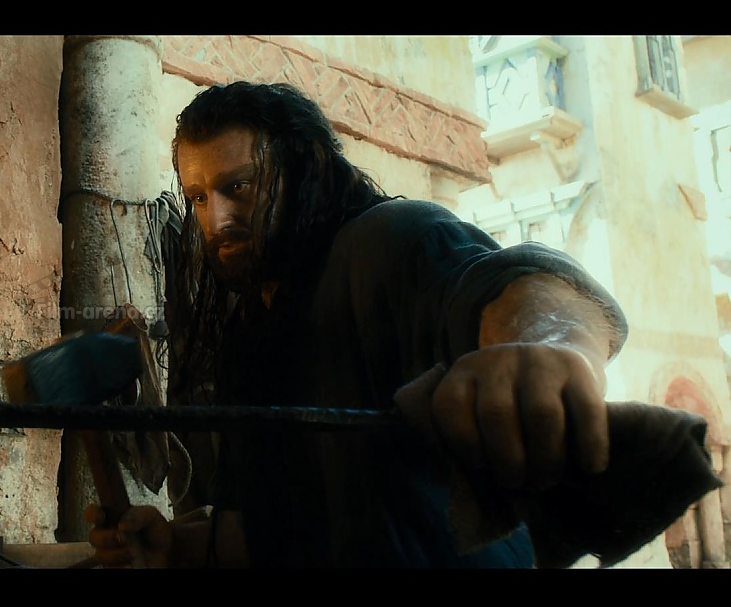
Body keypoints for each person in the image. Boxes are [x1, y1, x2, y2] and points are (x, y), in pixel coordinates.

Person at [86, 80, 628, 568]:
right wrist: (175, 545)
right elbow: (276, 530)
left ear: (306, 170)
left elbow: (515, 284)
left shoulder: (392, 240)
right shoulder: (250, 327)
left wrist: (552, 347)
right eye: (199, 197)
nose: (216, 219)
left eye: (240, 187)